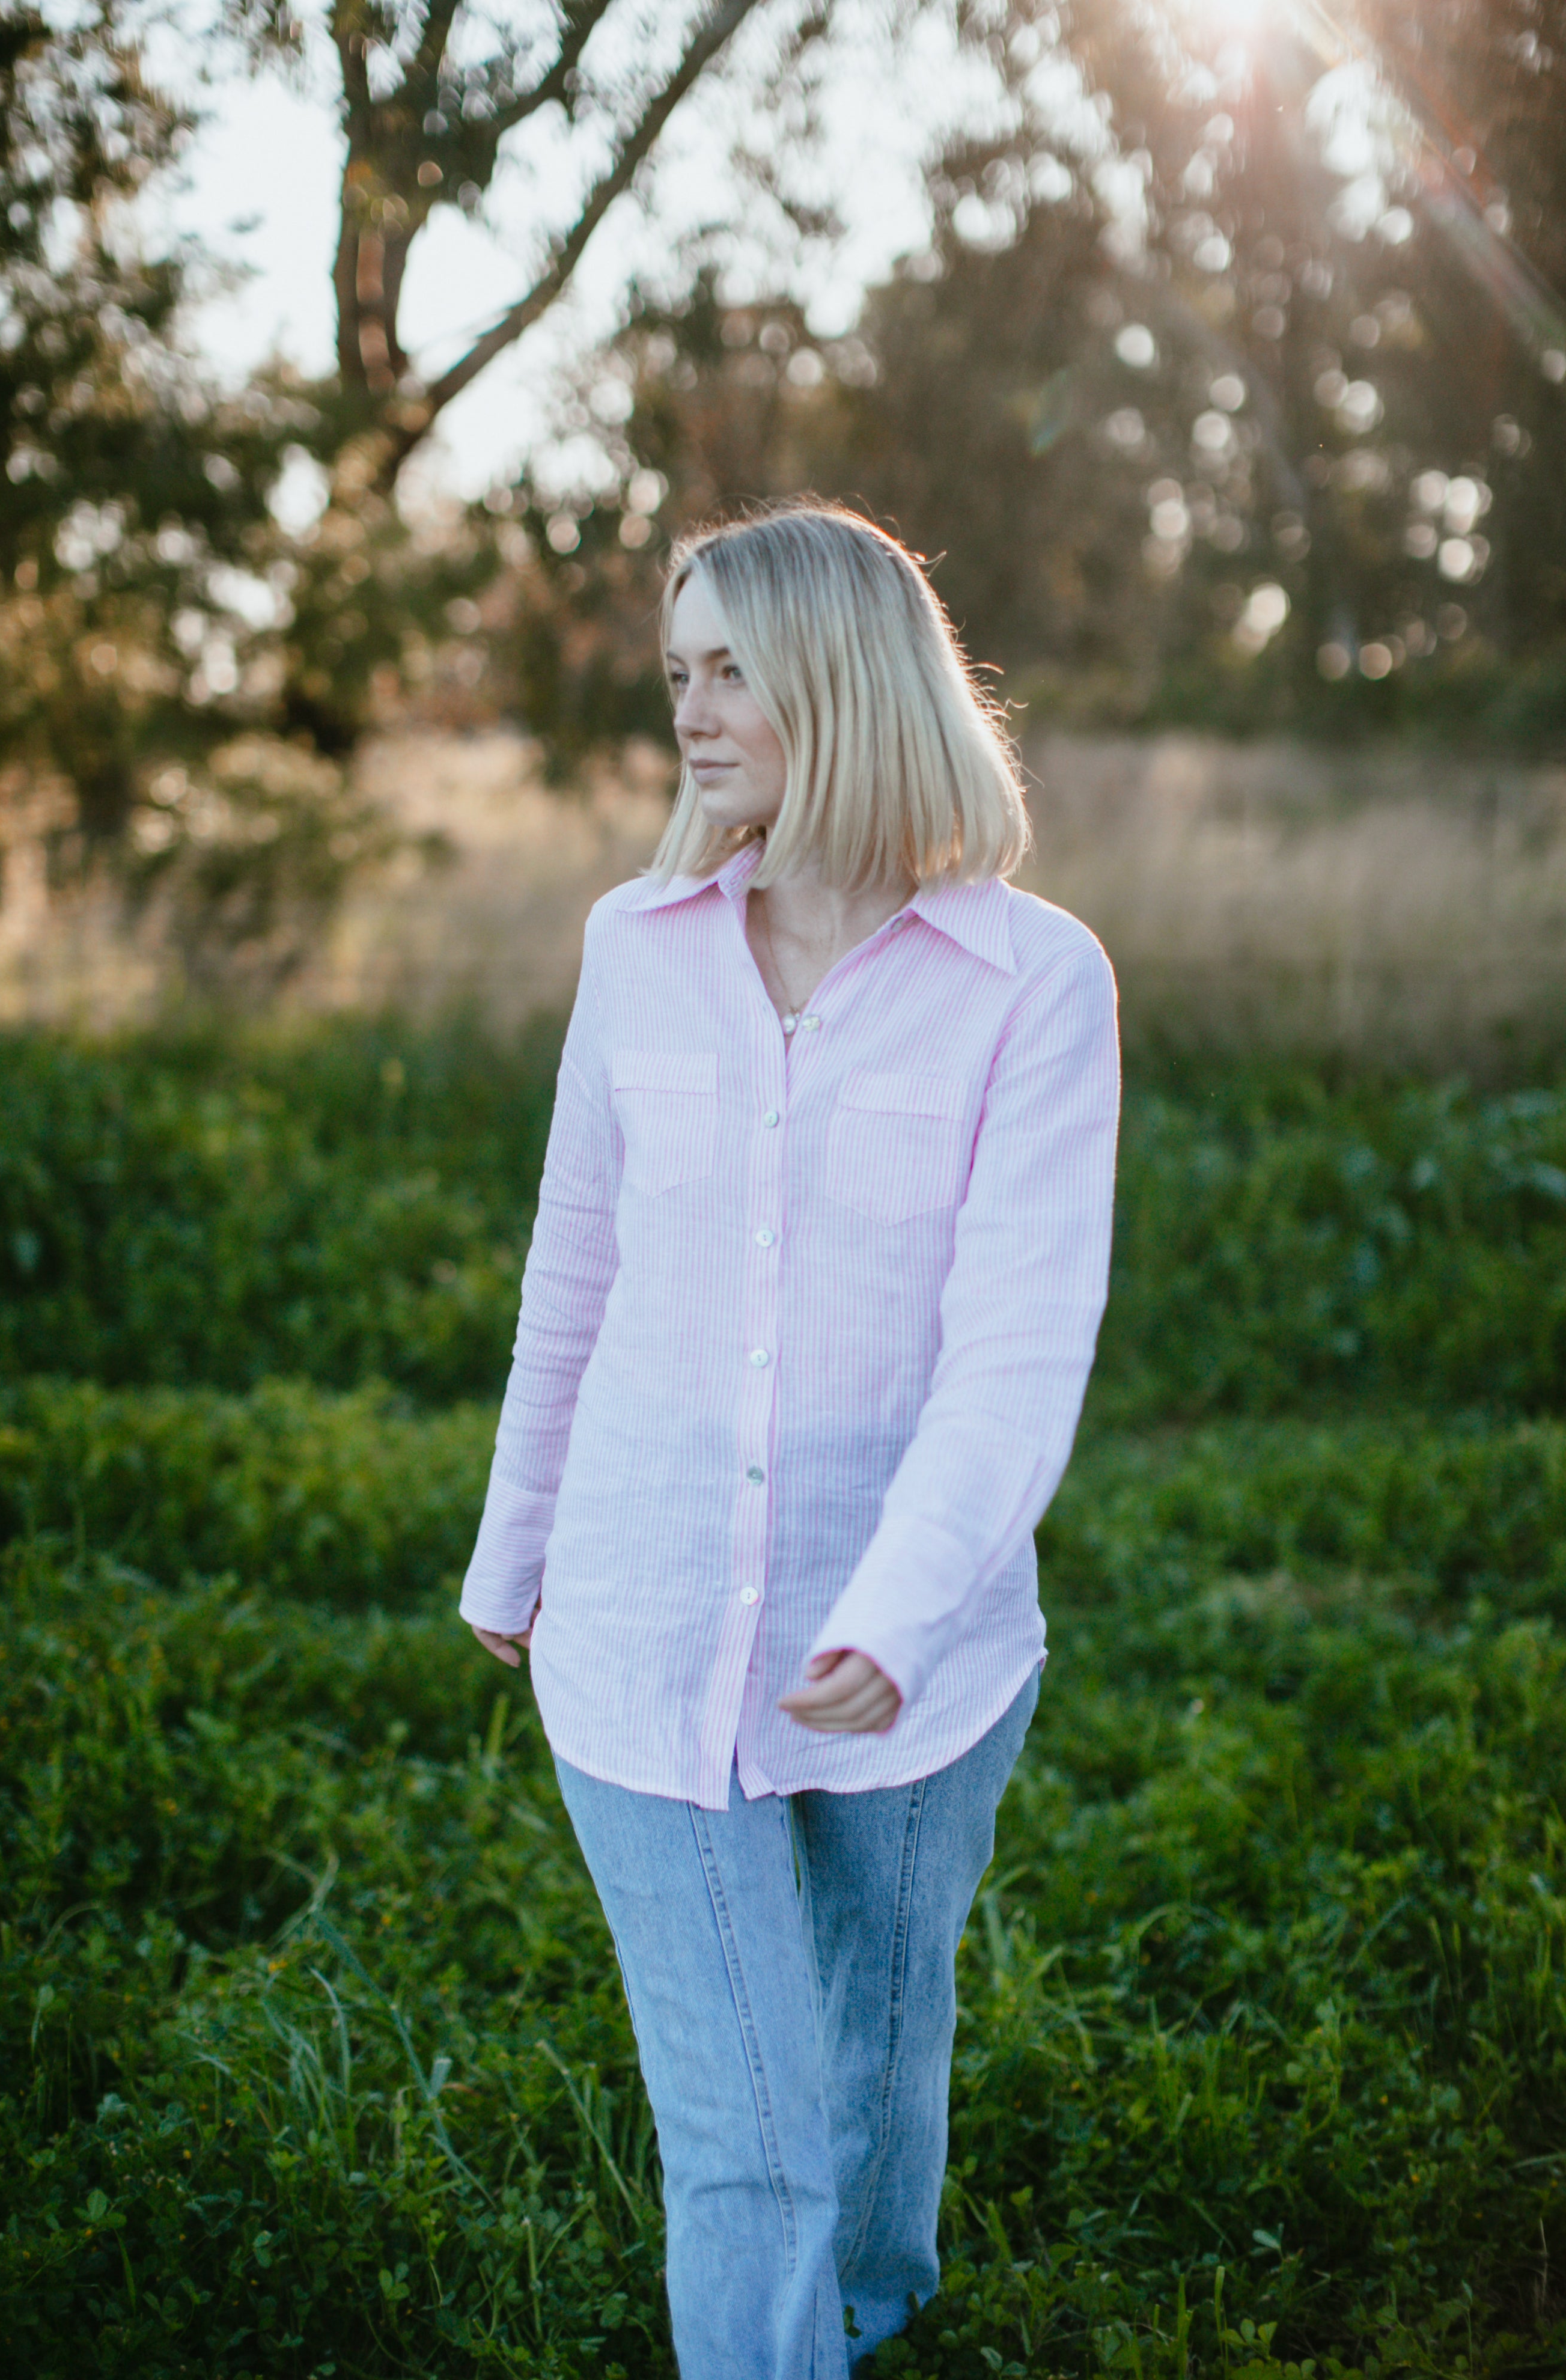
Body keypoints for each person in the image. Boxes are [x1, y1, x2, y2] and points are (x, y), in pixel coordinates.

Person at [461, 502, 1119, 2379]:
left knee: (881, 2030)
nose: (692, 707)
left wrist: (899, 1617)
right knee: (749, 2141)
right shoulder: (635, 947)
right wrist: (516, 1552)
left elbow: (1018, 1348)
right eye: (678, 671)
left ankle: (877, 2311)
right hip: (645, 1631)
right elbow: (570, 1270)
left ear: (844, 673)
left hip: (925, 1658)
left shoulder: (1036, 984)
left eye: (730, 666)